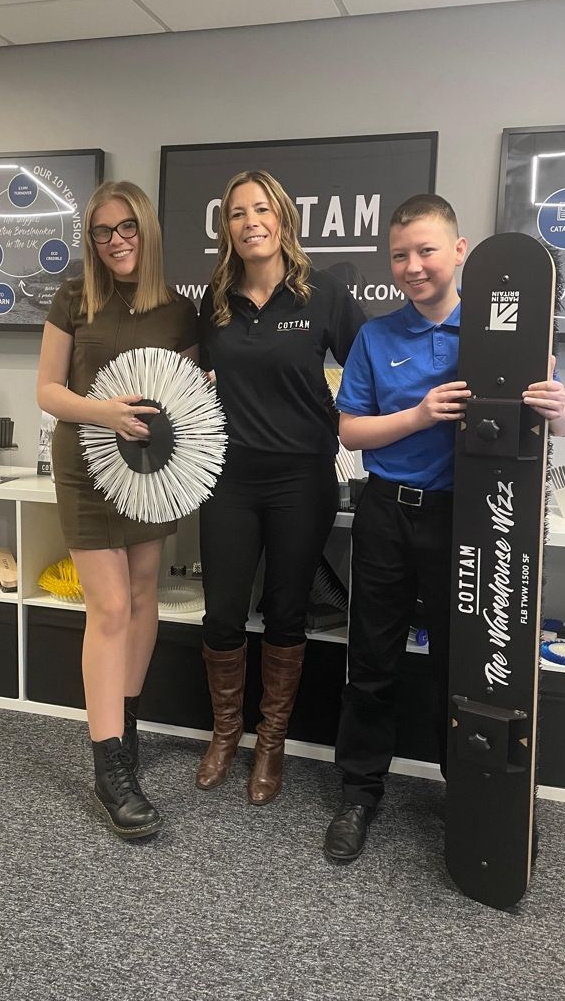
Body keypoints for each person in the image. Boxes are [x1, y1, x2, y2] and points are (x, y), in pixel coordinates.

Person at [324, 193, 565, 862]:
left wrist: (559, 408)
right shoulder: (376, 337)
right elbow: (350, 431)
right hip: (385, 513)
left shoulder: (501, 330)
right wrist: (420, 414)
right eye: (399, 255)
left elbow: (559, 422)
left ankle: (469, 795)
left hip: (467, 522)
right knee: (371, 659)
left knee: (462, 666)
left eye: (426, 251)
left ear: (459, 252)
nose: (413, 266)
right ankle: (359, 791)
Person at [197, 169, 366, 805]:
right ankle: (226, 733)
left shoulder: (323, 293)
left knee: (287, 611)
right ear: (227, 227)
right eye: (238, 213)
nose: (251, 222)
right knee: (222, 612)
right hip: (229, 478)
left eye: (262, 209)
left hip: (302, 477)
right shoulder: (216, 298)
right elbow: (190, 376)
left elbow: (370, 365)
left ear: (283, 218)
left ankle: (270, 742)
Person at [37, 180, 198, 839]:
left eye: (125, 227)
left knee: (141, 593)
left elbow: (187, 397)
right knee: (107, 606)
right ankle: (109, 768)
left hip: (149, 472)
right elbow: (48, 390)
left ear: (147, 229)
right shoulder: (75, 296)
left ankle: (125, 723)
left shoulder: (180, 311)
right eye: (101, 232)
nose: (115, 241)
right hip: (86, 466)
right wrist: (102, 413)